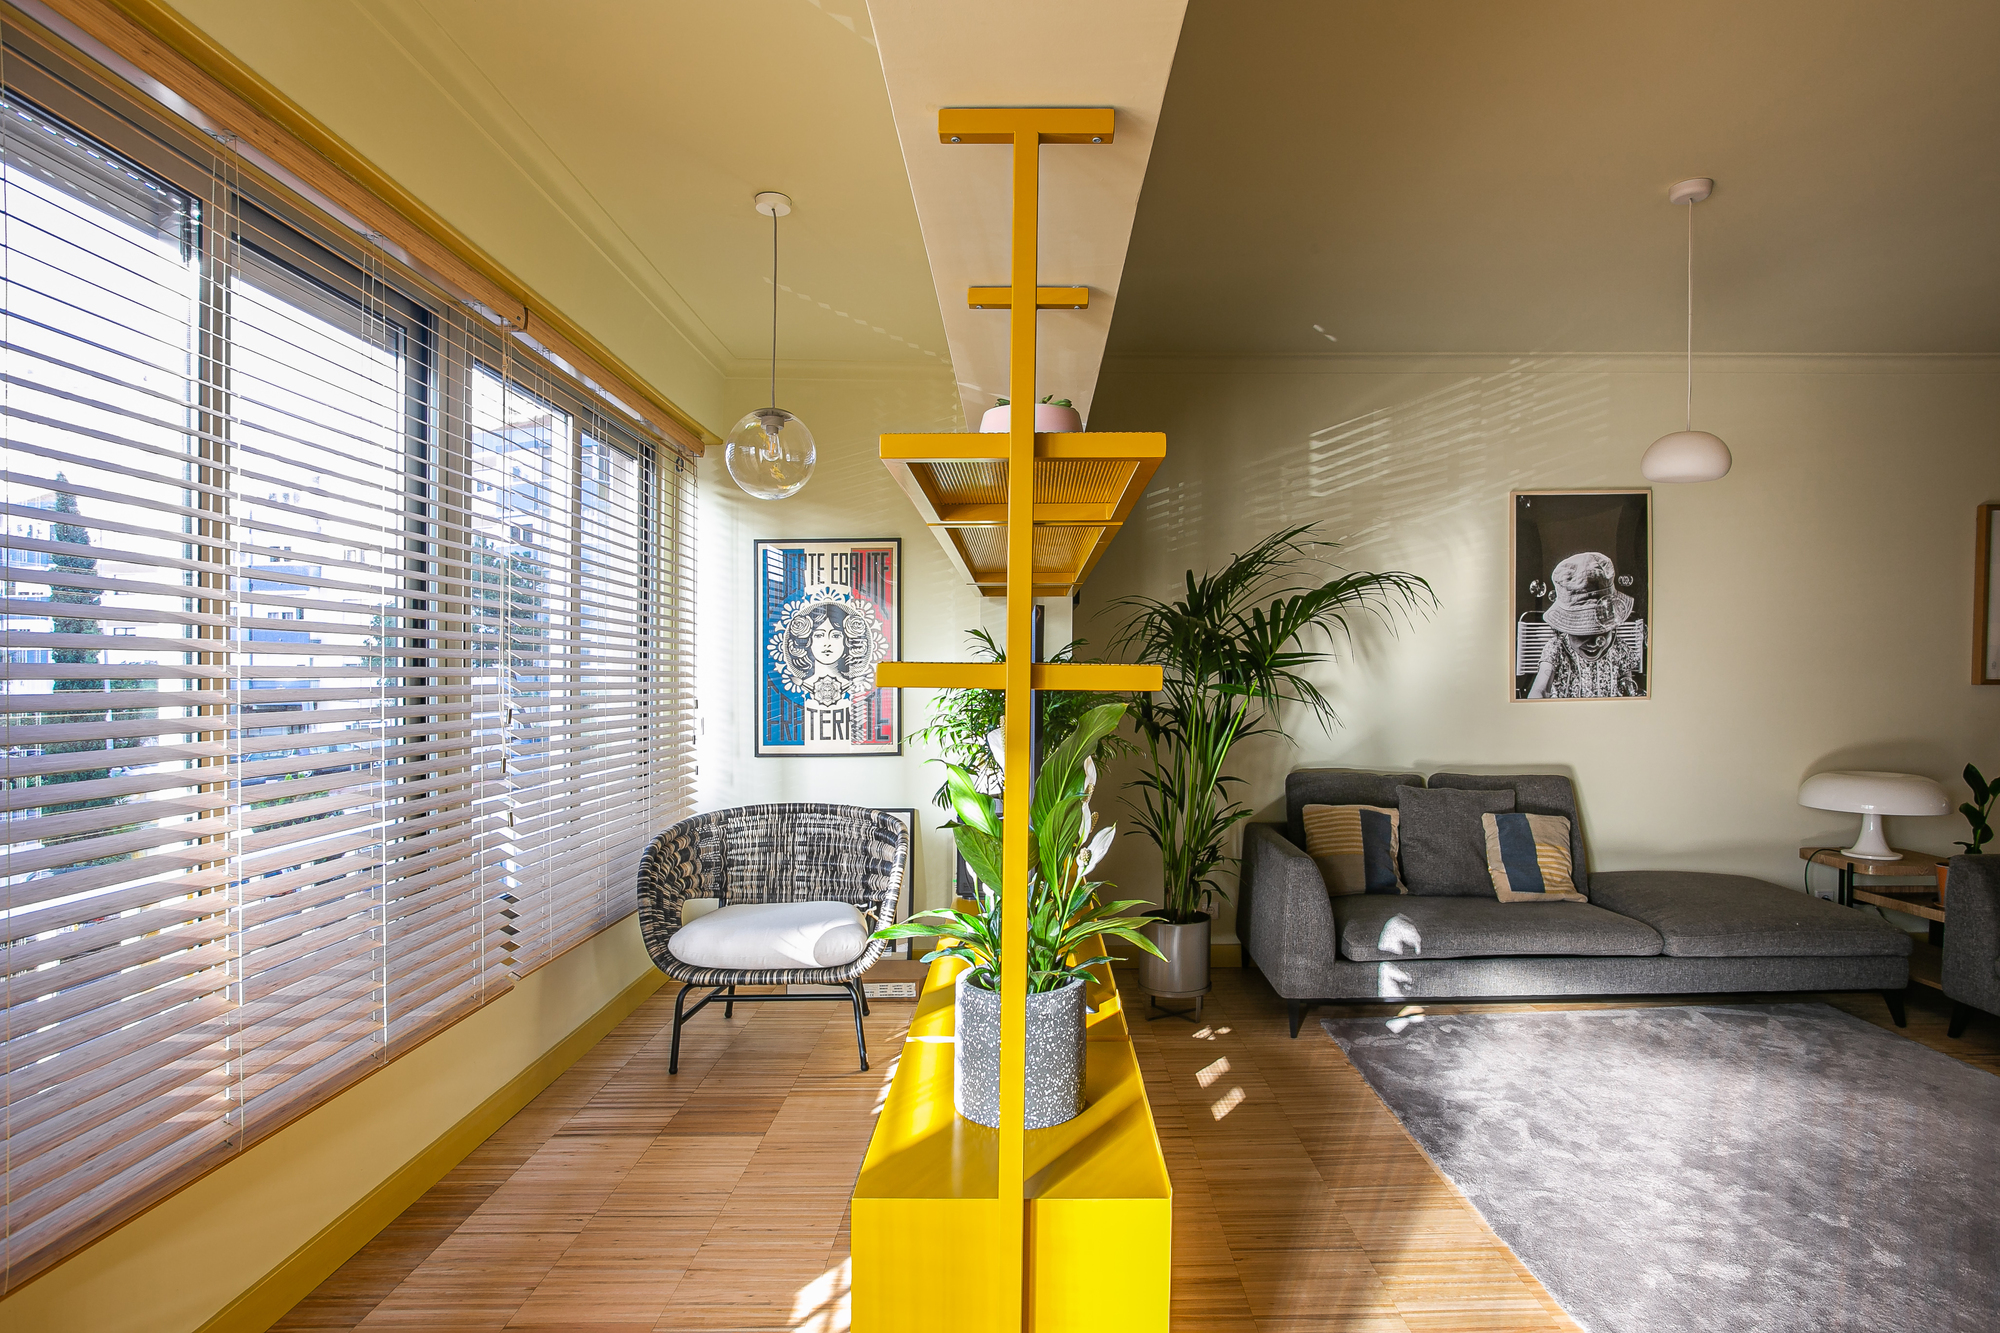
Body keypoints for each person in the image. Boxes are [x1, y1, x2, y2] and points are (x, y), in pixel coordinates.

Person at [1526, 551, 1644, 698]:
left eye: (1601, 631)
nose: (1594, 642)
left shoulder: (1619, 648)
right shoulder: (1556, 649)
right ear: (1565, 628)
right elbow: (1540, 690)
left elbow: (1627, 688)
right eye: (1582, 633)